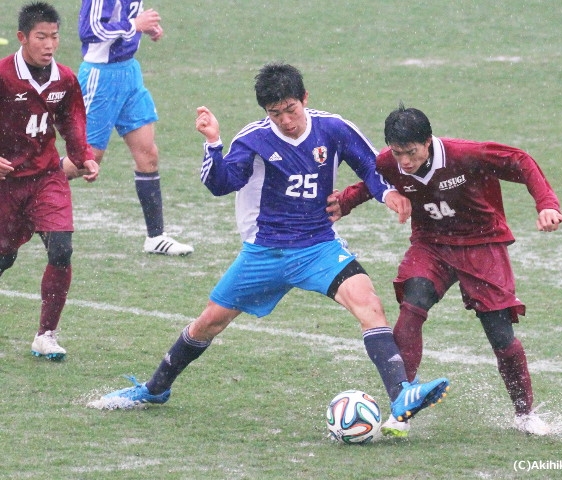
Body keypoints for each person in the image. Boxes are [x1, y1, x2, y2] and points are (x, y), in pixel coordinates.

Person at [94, 64, 449, 428]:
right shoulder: (254, 139)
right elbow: (221, 183)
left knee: (369, 303)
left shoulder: (333, 128)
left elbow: (370, 166)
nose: (286, 120)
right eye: (275, 113)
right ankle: (155, 388)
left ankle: (401, 393)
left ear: (305, 99)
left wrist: (387, 193)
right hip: (265, 251)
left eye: (291, 109)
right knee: (208, 324)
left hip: (318, 246)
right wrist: (214, 142)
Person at [328, 104, 562, 436]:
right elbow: (376, 180)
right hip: (431, 243)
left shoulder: (466, 155)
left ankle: (525, 414)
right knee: (412, 302)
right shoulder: (390, 161)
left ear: (428, 141)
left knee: (500, 335)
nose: (406, 162)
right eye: (399, 154)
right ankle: (402, 404)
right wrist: (345, 201)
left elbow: (520, 160)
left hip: (481, 244)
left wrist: (547, 205)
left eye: (411, 152)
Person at [0, 2, 100, 361]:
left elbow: (72, 119)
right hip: (7, 186)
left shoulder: (65, 78)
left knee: (61, 249)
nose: (49, 44)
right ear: (23, 38)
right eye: (41, 37)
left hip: (46, 178)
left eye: (54, 37)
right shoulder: (3, 75)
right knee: (4, 258)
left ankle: (46, 335)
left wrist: (82, 155)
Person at [62, 0, 193, 256]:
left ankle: (155, 237)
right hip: (101, 77)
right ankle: (20, 181)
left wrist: (144, 28)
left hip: (130, 73)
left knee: (148, 154)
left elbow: (124, 18)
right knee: (86, 160)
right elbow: (89, 31)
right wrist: (134, 25)